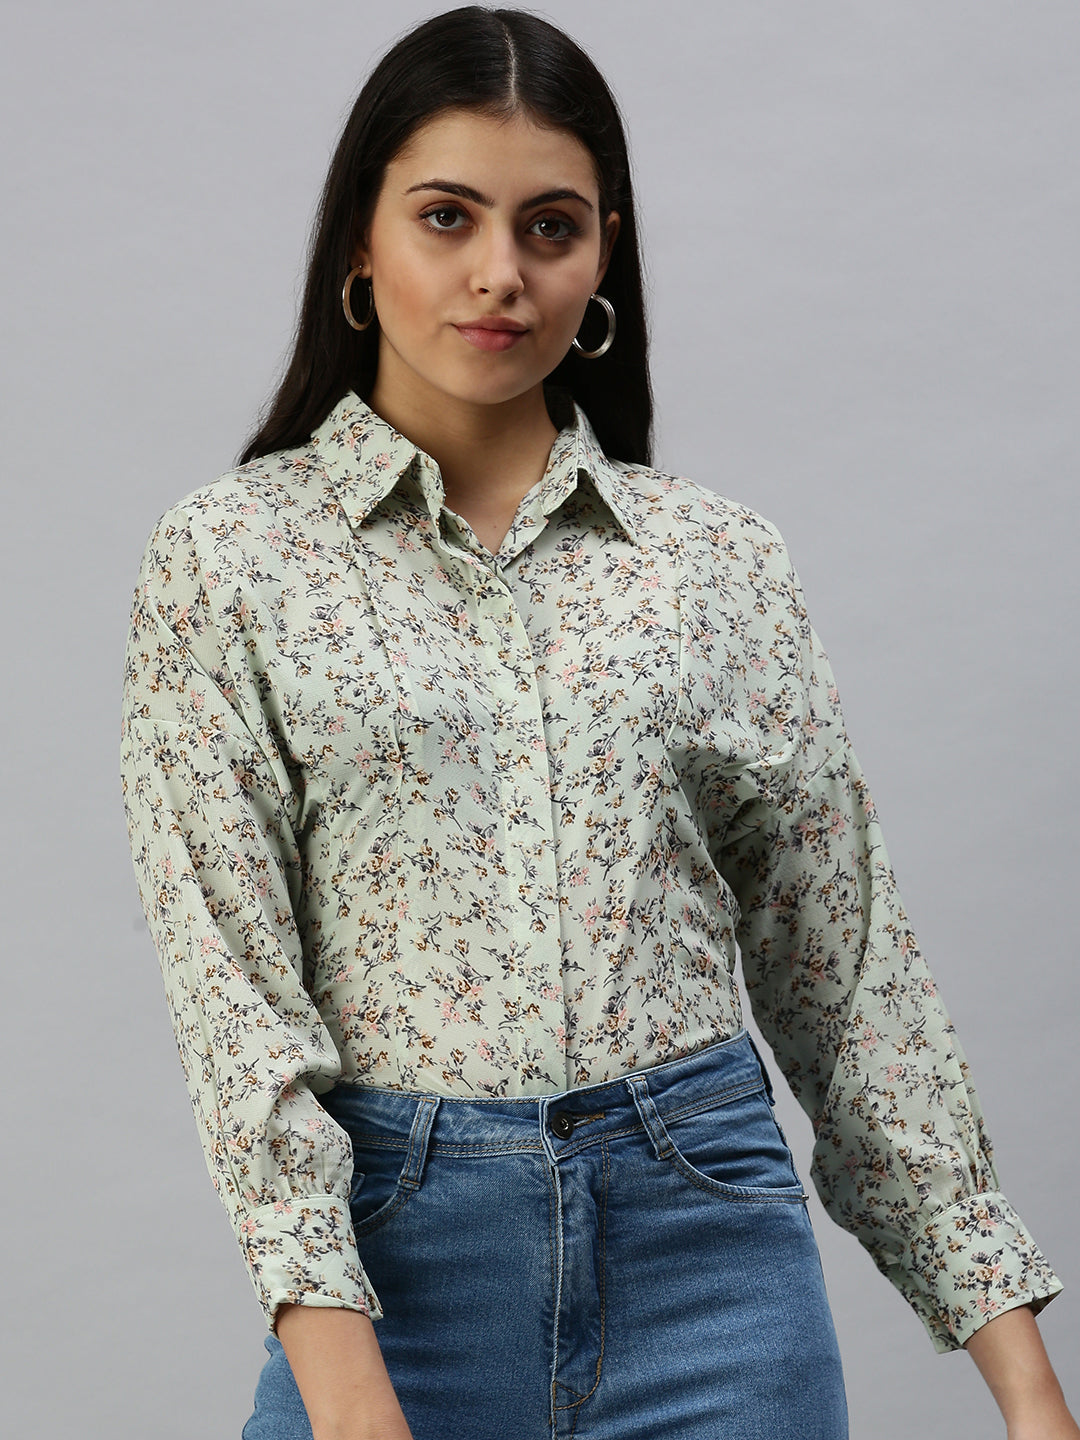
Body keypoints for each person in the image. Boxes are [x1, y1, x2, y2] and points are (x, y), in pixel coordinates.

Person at [118, 7, 1076, 1439]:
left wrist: (1027, 1386)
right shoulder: (231, 562)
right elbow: (234, 1000)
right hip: (397, 1274)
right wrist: (347, 1392)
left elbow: (847, 975)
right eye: (447, 216)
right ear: (359, 244)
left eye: (550, 227)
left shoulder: (719, 563)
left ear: (603, 255)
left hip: (709, 1259)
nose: (500, 273)